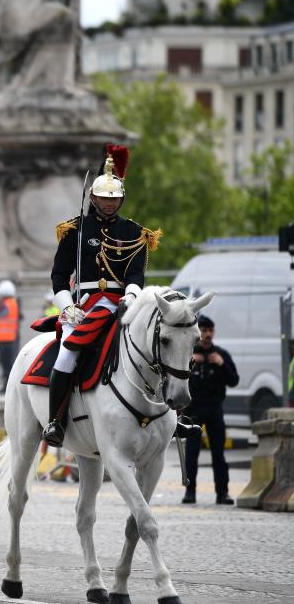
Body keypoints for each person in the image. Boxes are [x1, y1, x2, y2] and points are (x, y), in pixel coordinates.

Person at [44, 144, 202, 447]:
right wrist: (66, 307)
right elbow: (59, 277)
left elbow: (135, 275)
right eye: (103, 198)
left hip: (124, 303)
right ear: (93, 198)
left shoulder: (135, 233)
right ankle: (55, 421)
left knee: (157, 349)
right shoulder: (74, 231)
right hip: (84, 307)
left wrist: (130, 297)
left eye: (114, 199)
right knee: (68, 353)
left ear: (121, 200)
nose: (108, 204)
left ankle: (172, 418)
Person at [182, 315, 239, 505]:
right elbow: (174, 378)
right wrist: (191, 362)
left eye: (210, 331)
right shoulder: (189, 353)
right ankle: (190, 491)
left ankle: (222, 493)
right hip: (194, 410)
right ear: (198, 333)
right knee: (191, 453)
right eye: (204, 331)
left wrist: (221, 364)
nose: (207, 335)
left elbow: (234, 381)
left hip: (215, 409)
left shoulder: (220, 354)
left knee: (218, 454)